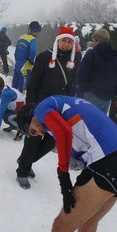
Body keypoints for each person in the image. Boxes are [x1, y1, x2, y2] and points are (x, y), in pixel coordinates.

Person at [1, 95, 117, 232]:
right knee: (88, 222)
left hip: (107, 161)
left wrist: (63, 173)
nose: (39, 132)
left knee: (63, 224)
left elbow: (65, 132)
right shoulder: (61, 108)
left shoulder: (43, 108)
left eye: (33, 130)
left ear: (30, 117)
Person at [16, 26, 81, 189]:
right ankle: (22, 171)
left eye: (69, 42)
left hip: (58, 111)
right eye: (63, 41)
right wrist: (31, 110)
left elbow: (72, 86)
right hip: (40, 108)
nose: (66, 45)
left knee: (49, 143)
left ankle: (26, 161)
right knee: (33, 141)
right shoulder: (44, 57)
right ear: (57, 41)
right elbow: (33, 84)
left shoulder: (73, 62)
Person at [76, 29, 117, 114]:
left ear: (98, 41)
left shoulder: (92, 54)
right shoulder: (116, 57)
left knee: (87, 123)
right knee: (99, 124)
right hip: (106, 98)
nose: (93, 44)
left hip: (90, 94)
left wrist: (83, 90)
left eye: (93, 41)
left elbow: (81, 74)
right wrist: (113, 92)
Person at [12, 21, 41, 93]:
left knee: (13, 89)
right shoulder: (33, 39)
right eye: (39, 31)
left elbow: (16, 52)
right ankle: (21, 104)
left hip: (17, 66)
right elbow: (33, 51)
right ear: (36, 31)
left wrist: (17, 61)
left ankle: (11, 104)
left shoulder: (21, 37)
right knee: (22, 91)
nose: (39, 33)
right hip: (25, 68)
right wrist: (31, 60)